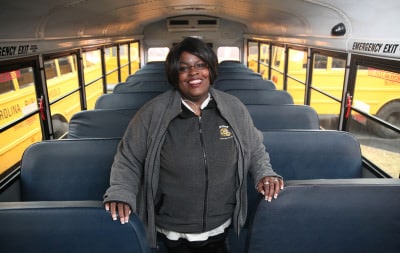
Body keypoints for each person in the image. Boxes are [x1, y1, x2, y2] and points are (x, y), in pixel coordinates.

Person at [103, 37, 284, 253]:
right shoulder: (152, 113)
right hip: (171, 231)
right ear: (174, 75)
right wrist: (120, 193)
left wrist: (265, 173)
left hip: (221, 225)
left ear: (211, 70)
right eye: (184, 68)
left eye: (201, 65)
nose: (194, 73)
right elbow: (128, 159)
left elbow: (254, 148)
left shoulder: (233, 108)